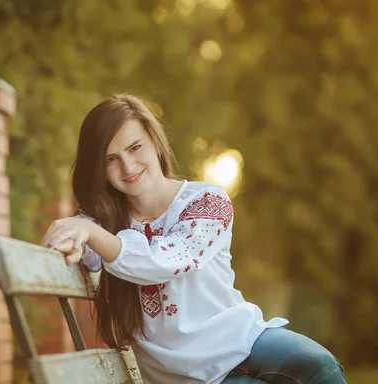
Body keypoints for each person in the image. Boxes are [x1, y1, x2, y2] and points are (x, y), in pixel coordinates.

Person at [41, 94, 346, 384]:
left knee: (320, 366)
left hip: (239, 337)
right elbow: (82, 249)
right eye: (111, 159)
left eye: (135, 148)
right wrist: (76, 236)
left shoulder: (207, 201)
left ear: (155, 142)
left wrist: (91, 234)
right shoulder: (101, 221)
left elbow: (169, 259)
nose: (128, 167)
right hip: (182, 373)